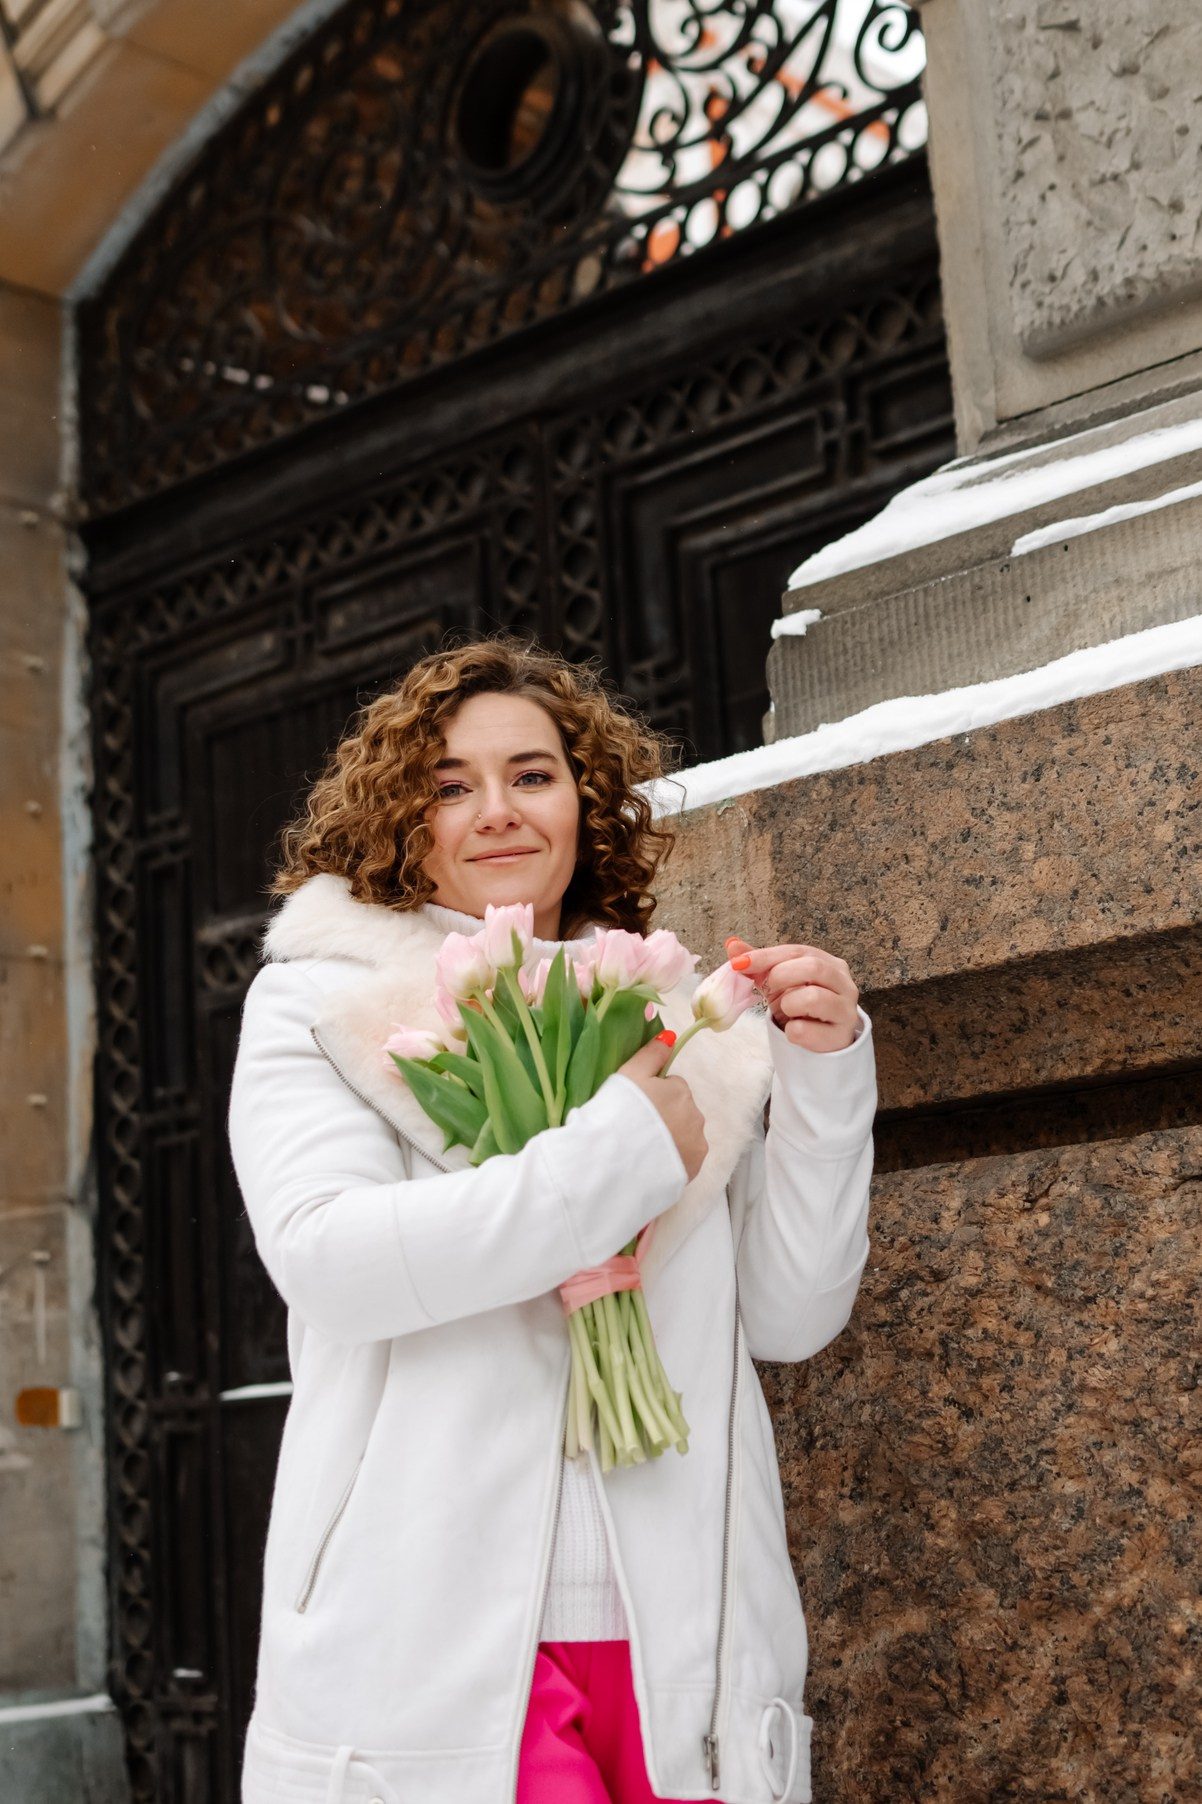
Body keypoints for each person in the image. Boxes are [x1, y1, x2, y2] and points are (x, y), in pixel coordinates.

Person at [229, 636, 875, 1804]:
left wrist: (823, 1088)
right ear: (397, 815)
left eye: (531, 773)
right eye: (447, 783)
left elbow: (786, 1315)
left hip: (686, 1639)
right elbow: (333, 1262)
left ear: (584, 798)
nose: (494, 811)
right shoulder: (320, 1005)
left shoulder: (671, 1014)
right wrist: (617, 1151)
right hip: (442, 1647)